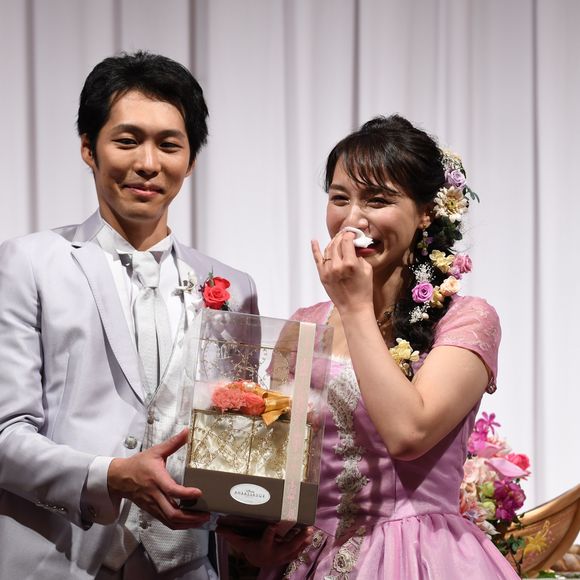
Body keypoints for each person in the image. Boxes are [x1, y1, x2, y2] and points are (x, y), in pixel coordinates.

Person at [222, 115, 520, 578]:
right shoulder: (303, 326)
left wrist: (355, 307)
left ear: (426, 212)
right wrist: (255, 543)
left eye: (377, 200)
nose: (353, 220)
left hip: (419, 556)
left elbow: (409, 434)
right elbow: (277, 466)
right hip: (309, 560)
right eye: (340, 198)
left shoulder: (467, 320)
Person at [0, 51, 259, 579]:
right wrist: (109, 476)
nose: (148, 163)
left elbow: (236, 442)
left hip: (188, 566)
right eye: (127, 140)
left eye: (169, 145)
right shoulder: (28, 264)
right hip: (58, 559)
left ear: (190, 160)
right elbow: (6, 434)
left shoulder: (235, 289)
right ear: (88, 148)